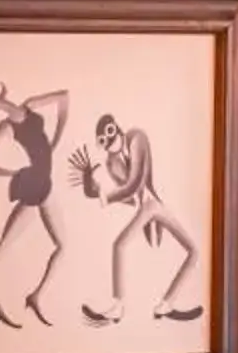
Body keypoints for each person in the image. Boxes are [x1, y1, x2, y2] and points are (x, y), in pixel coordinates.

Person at [68, 113, 203, 325]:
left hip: (153, 204)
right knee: (120, 245)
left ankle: (161, 304)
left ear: (117, 128)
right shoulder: (111, 162)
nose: (109, 141)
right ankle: (127, 306)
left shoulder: (136, 137)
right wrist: (94, 191)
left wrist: (106, 196)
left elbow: (135, 183)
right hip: (146, 208)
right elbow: (129, 196)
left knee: (193, 251)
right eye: (103, 141)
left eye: (110, 133)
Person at [0, 78, 71, 327]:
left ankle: (25, 299)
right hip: (36, 183)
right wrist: (11, 173)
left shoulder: (30, 105)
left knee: (56, 246)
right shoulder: (5, 127)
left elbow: (64, 97)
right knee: (54, 245)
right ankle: (5, 305)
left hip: (40, 183)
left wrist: (56, 140)